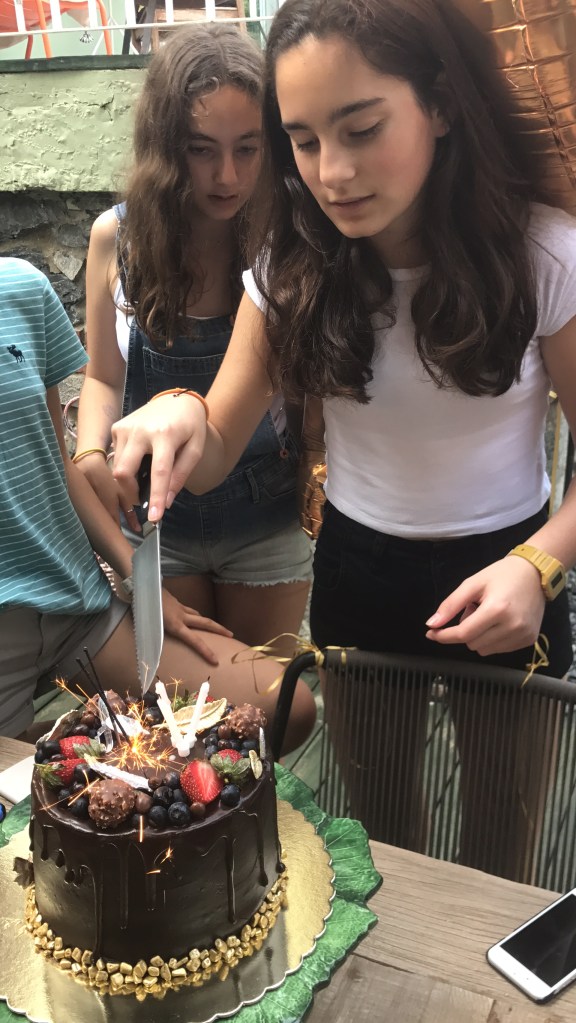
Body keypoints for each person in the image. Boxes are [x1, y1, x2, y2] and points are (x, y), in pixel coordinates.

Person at [110, 0, 576, 873]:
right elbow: (214, 445)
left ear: (441, 104)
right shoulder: (291, 267)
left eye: (362, 129)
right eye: (303, 141)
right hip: (359, 572)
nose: (333, 172)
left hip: (512, 564)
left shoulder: (541, 253)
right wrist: (177, 409)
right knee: (380, 835)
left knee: (502, 848)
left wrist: (539, 564)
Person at [0, 256, 315, 752]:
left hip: (79, 604)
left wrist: (142, 585)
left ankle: (83, 746)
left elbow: (56, 463)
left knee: (284, 707)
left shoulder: (21, 286)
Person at [75, 24, 313, 661]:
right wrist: (91, 448)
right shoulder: (115, 239)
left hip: (265, 520)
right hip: (158, 525)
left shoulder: (286, 242)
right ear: (164, 146)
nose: (226, 175)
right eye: (201, 150)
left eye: (248, 148)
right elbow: (102, 376)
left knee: (265, 700)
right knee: (186, 706)